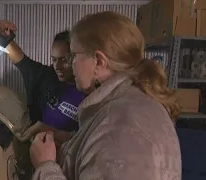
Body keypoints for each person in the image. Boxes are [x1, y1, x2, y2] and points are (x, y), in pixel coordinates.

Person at [29, 11, 182, 180]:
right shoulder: (126, 103)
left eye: (74, 56)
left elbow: (112, 143)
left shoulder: (123, 129)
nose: (72, 64)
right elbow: (100, 147)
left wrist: (45, 166)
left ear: (99, 61)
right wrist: (63, 139)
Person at [0, 21, 86, 144]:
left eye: (64, 60)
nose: (57, 66)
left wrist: (52, 133)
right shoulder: (47, 77)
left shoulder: (91, 93)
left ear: (76, 58)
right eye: (54, 60)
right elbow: (22, 62)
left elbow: (86, 140)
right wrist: (6, 38)